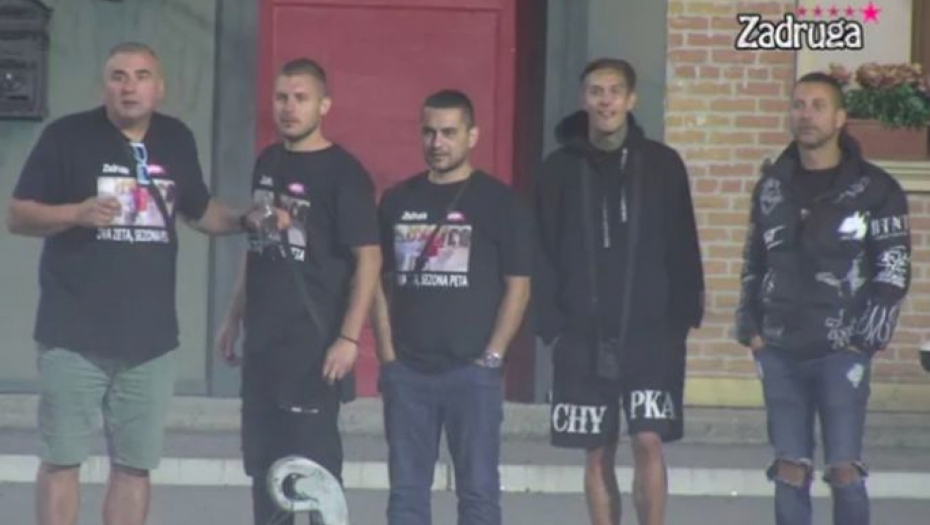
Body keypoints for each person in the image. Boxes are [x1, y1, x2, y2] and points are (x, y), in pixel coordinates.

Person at [6, 42, 277, 525]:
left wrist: (244, 219)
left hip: (149, 342)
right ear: (104, 85)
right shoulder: (66, 137)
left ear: (159, 87)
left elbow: (199, 211)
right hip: (73, 335)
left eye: (141, 76)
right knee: (62, 460)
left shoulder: (176, 139)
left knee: (134, 467)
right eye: (119, 76)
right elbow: (19, 215)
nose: (129, 87)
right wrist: (75, 213)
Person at [533, 58, 704, 525]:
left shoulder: (662, 164)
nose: (605, 101)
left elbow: (683, 242)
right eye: (596, 91)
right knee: (596, 448)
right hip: (581, 334)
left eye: (614, 91)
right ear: (583, 99)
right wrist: (551, 323)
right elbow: (541, 249)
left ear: (631, 99)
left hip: (651, 333)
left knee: (648, 440)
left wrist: (683, 318)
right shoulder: (558, 169)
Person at [736, 72, 911, 525]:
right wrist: (751, 330)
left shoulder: (876, 189)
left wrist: (865, 342)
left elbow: (893, 271)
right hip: (778, 348)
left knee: (844, 470)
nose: (806, 115)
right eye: (798, 105)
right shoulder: (772, 186)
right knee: (789, 469)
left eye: (818, 106)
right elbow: (754, 261)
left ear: (840, 118)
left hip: (843, 351)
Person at [214, 58, 382, 525]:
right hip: (263, 344)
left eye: (301, 98)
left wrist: (349, 338)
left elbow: (369, 260)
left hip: (313, 345)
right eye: (282, 98)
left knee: (313, 471)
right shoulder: (267, 162)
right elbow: (256, 246)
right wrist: (233, 316)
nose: (289, 108)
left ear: (324, 105)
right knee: (265, 469)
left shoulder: (344, 173)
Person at [371, 89, 532, 525]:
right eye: (428, 132)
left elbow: (519, 287)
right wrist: (387, 354)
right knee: (406, 497)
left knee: (478, 495)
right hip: (408, 372)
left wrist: (492, 357)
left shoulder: (500, 202)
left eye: (448, 132)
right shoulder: (398, 200)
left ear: (472, 135)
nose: (436, 142)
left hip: (472, 373)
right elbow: (375, 280)